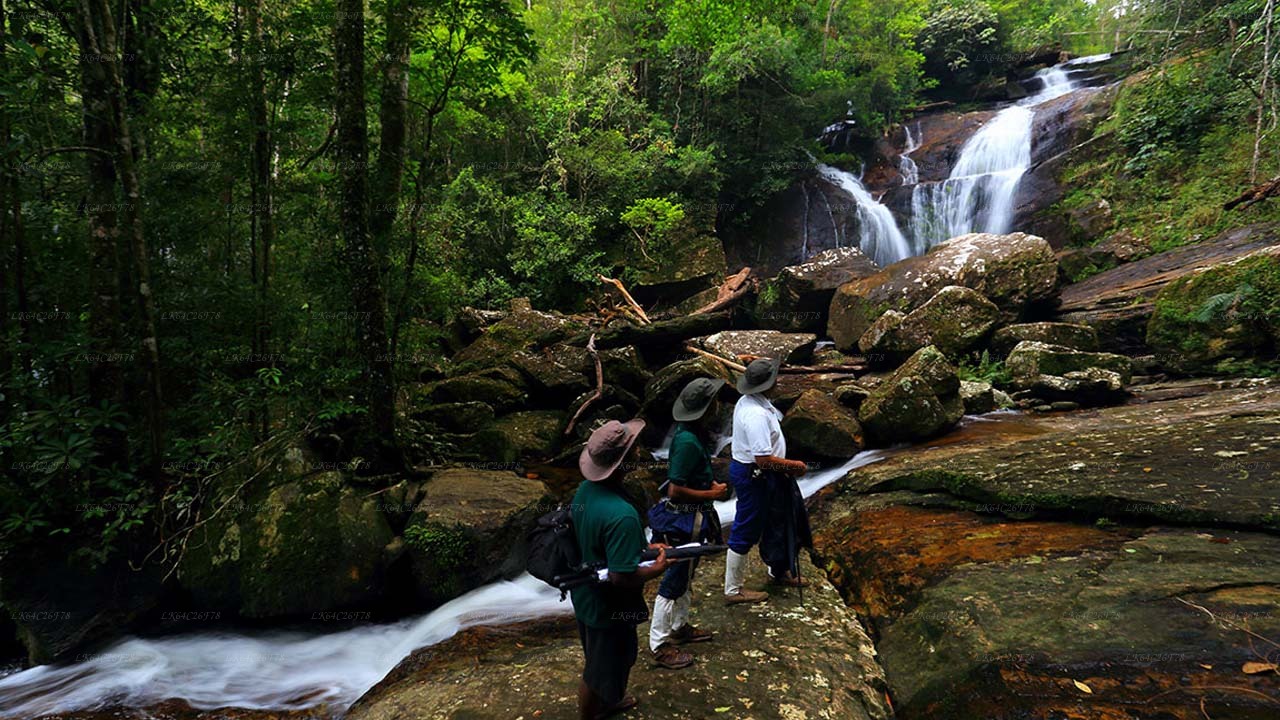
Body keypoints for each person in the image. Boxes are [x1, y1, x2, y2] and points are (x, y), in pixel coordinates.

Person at [571, 418, 670, 720]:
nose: (640, 451)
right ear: (624, 462)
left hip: (585, 593)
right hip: (608, 607)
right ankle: (591, 715)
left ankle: (609, 701)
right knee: (600, 668)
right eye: (634, 449)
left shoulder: (586, 491)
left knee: (609, 657)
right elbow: (621, 576)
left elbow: (599, 544)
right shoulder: (622, 515)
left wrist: (641, 551)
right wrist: (657, 568)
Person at [647, 377, 731, 669]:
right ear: (706, 409)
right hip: (684, 520)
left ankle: (680, 626)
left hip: (695, 516)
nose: (719, 405)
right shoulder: (686, 442)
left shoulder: (691, 434)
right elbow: (674, 488)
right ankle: (659, 644)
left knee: (687, 574)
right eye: (714, 402)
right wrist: (713, 493)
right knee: (674, 578)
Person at [723, 357, 808, 604]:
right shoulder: (756, 414)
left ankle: (778, 570)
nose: (778, 382)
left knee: (779, 519)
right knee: (747, 526)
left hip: (765, 474)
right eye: (774, 379)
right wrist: (795, 466)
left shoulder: (750, 401)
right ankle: (733, 589)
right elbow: (763, 460)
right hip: (756, 475)